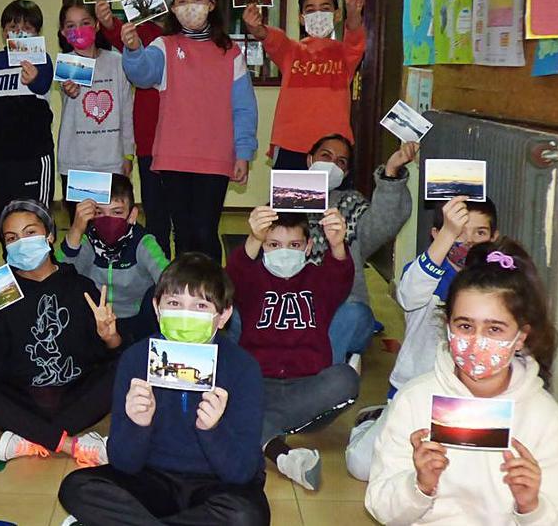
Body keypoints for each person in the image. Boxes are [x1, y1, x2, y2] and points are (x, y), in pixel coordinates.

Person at [366, 239, 558, 524]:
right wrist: (419, 486)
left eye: (495, 329)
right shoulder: (415, 400)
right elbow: (381, 508)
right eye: (465, 326)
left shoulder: (544, 417)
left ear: (521, 336)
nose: (477, 341)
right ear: (447, 326)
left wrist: (531, 506)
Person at [58, 253, 269, 526]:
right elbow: (124, 463)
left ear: (223, 315)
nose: (185, 315)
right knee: (76, 487)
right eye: (174, 303)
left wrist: (212, 430)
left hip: (214, 484)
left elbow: (241, 472)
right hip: (151, 479)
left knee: (246, 517)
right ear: (157, 308)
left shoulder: (243, 368)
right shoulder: (136, 359)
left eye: (201, 306)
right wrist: (138, 424)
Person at [346, 196, 499, 481]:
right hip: (413, 394)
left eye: (479, 233)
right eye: (457, 232)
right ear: (437, 235)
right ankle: (372, 422)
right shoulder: (423, 274)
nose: (467, 243)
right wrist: (447, 235)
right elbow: (408, 295)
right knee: (363, 467)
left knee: (467, 477)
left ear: (494, 238)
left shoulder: (499, 285)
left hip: (468, 404)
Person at [0, 200, 119, 467]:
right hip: (22, 397)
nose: (21, 242)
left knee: (128, 366)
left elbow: (106, 356)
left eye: (30, 233)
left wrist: (109, 337)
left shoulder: (79, 285)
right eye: (12, 238)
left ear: (50, 235)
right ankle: (66, 443)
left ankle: (31, 437)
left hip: (74, 396)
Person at [119, 0, 258, 263]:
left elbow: (244, 107)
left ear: (210, 4)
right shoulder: (163, 45)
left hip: (215, 158)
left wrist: (243, 152)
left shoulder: (230, 52)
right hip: (174, 158)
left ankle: (210, 297)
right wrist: (133, 49)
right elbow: (143, 75)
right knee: (182, 234)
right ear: (172, 7)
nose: (190, 7)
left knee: (205, 232)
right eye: (181, 1)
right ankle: (185, 299)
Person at [226, 207, 356, 491]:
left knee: (345, 378)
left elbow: (341, 276)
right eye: (273, 245)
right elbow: (233, 276)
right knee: (224, 385)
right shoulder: (251, 279)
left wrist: (337, 243)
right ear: (263, 246)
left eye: (294, 245)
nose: (284, 252)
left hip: (307, 389)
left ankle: (258, 425)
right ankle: (283, 455)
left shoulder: (319, 279)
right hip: (258, 383)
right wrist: (252, 238)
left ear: (308, 246)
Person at [300, 136, 415, 368]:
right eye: (326, 156)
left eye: (340, 161)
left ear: (345, 172)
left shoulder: (350, 203)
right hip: (291, 308)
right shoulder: (283, 197)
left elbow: (384, 222)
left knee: (356, 316)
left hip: (341, 311)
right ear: (310, 159)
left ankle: (323, 374)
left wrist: (391, 172)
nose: (332, 164)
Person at [243, 0, 368, 170]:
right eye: (310, 10)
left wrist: (353, 12)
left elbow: (355, 34)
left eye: (325, 9)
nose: (318, 15)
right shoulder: (291, 51)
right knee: (290, 200)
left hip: (333, 150)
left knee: (333, 200)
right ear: (301, 18)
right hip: (290, 146)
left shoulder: (345, 54)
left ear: (337, 15)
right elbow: (270, 36)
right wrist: (255, 27)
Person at [97, 0, 174, 256]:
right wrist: (107, 22)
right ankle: (160, 276)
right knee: (156, 216)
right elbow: (123, 37)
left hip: (189, 142)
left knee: (191, 219)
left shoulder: (193, 31)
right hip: (150, 138)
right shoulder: (140, 31)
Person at [59, 174, 169, 348]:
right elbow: (61, 278)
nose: (108, 219)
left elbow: (168, 278)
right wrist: (75, 231)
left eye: (117, 212)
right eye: (99, 213)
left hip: (136, 321)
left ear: (132, 215)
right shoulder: (88, 240)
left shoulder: (144, 242)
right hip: (97, 319)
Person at [0, 0, 55, 226]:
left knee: (35, 220)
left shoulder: (42, 59)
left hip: (31, 158)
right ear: (3, 32)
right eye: (13, 28)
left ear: (37, 33)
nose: (19, 33)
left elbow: (42, 86)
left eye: (27, 29)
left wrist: (34, 78)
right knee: (2, 220)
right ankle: (9, 261)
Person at [56, 0, 133, 221]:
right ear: (62, 32)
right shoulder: (66, 62)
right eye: (70, 25)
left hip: (111, 160)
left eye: (85, 22)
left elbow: (126, 110)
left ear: (97, 25)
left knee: (112, 224)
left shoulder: (117, 61)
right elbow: (67, 92)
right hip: (76, 162)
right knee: (82, 225)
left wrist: (128, 153)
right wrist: (69, 90)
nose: (78, 30)